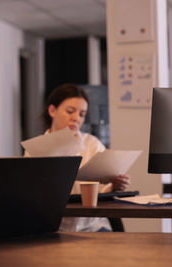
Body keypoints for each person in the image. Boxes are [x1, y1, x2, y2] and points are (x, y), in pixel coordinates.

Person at [28, 83, 131, 232]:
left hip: (92, 226)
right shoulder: (35, 149)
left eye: (82, 114)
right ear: (52, 110)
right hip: (53, 228)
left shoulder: (92, 144)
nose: (76, 118)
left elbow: (103, 192)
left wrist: (114, 186)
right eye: (70, 111)